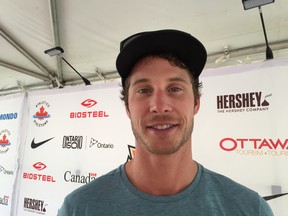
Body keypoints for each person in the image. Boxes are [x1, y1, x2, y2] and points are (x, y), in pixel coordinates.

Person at [57, 29, 273, 215]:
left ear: (196, 103)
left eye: (175, 89)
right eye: (144, 90)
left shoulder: (250, 209)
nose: (160, 106)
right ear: (128, 108)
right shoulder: (79, 208)